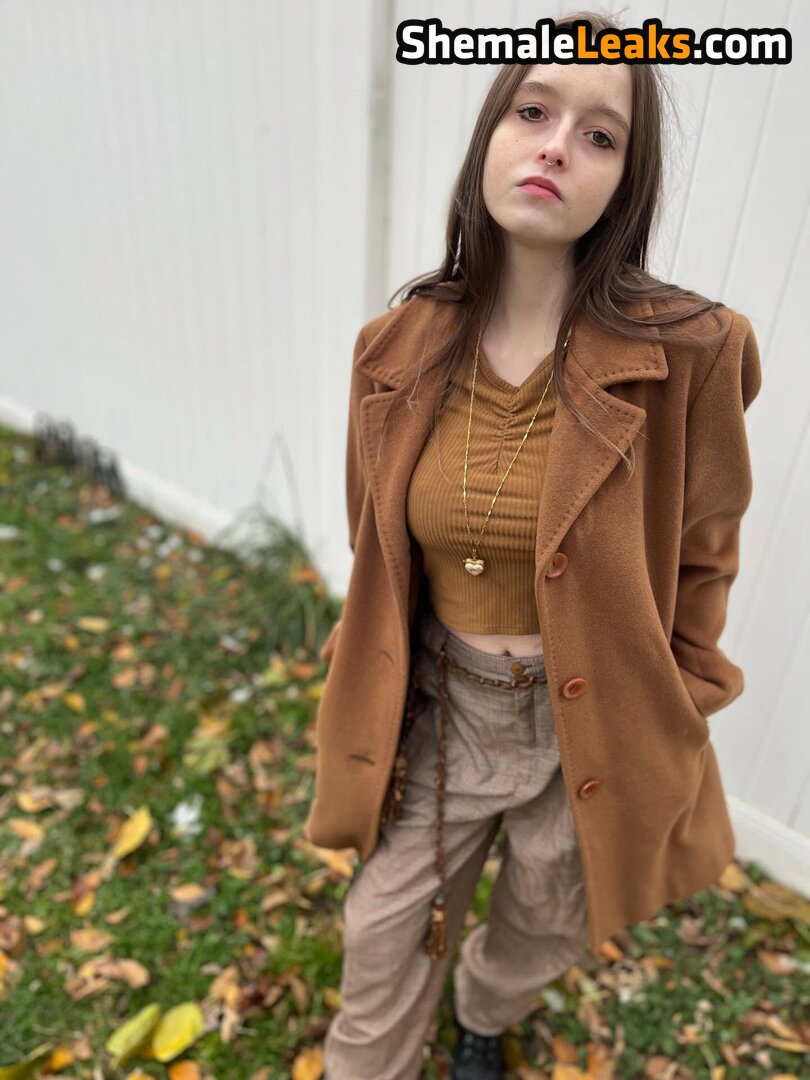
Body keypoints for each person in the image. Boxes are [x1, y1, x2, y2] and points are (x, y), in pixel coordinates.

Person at [309, 10, 762, 1080]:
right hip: (446, 708)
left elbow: (705, 550)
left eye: (601, 135)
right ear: (490, 137)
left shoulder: (694, 353)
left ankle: (484, 1013)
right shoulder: (393, 350)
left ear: (625, 183)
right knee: (382, 933)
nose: (558, 145)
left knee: (546, 915)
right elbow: (375, 549)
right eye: (533, 111)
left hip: (594, 720)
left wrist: (683, 692)